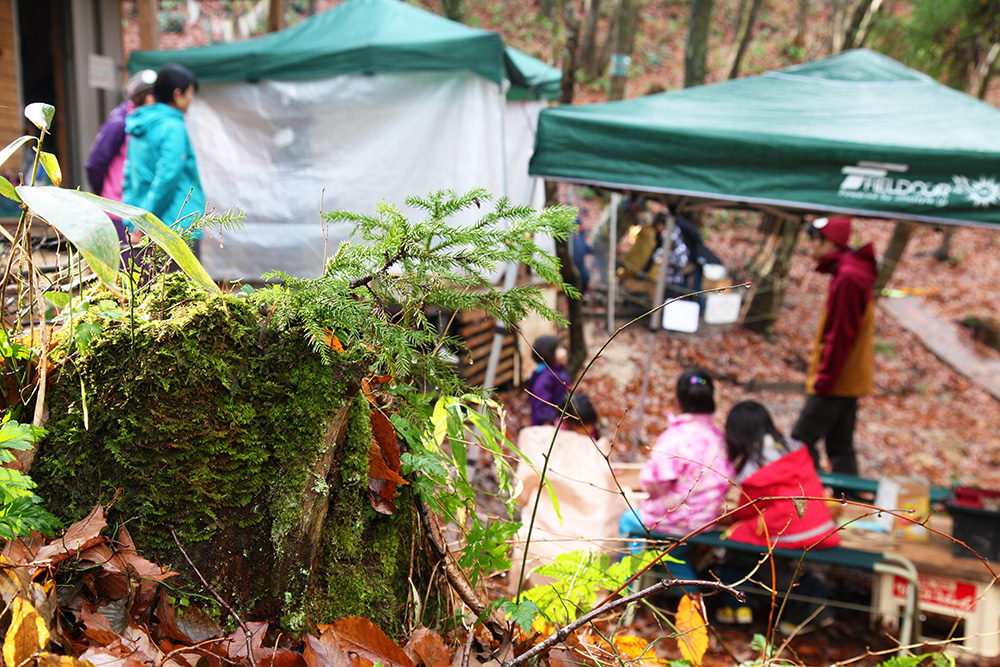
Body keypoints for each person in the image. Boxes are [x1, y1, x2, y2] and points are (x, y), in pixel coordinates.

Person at [719, 400, 840, 632]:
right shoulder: (793, 447)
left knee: (736, 539)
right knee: (756, 544)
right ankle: (800, 601)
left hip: (790, 527)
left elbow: (747, 510)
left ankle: (737, 602)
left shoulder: (755, 465)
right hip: (820, 523)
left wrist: (731, 517)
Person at [619, 369, 734, 581]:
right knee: (671, 556)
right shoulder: (718, 437)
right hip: (706, 519)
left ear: (678, 400)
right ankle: (689, 602)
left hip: (677, 520)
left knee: (628, 521)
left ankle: (630, 588)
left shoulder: (674, 438)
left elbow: (653, 481)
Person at [510, 393, 626, 590]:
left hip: (544, 533)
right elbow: (608, 494)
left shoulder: (538, 439)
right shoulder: (595, 450)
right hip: (587, 538)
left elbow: (521, 491)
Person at [791, 216, 877, 476]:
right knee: (840, 445)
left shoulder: (849, 276)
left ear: (828, 242)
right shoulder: (850, 271)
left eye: (814, 241)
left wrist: (824, 381)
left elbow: (842, 333)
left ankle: (809, 500)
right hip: (846, 378)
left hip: (837, 379)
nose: (811, 248)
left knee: (801, 438)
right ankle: (848, 503)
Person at [123, 63, 206, 251]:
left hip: (141, 223)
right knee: (180, 280)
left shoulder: (138, 124)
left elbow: (129, 174)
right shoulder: (173, 127)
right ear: (177, 94)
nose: (192, 99)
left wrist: (133, 220)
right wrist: (146, 222)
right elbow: (166, 178)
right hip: (175, 227)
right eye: (190, 93)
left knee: (150, 280)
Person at [86, 70, 157, 245]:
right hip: (117, 210)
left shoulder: (149, 124)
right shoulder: (120, 124)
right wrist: (108, 193)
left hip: (139, 208)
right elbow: (95, 163)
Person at [527, 335, 569, 426]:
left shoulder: (560, 371)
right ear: (548, 353)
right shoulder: (545, 378)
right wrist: (547, 422)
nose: (565, 352)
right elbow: (542, 403)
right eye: (559, 349)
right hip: (548, 426)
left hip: (560, 421)